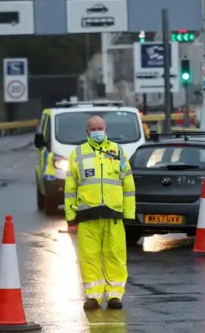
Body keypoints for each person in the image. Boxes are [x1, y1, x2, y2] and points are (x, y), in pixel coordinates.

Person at [64, 115, 136, 311]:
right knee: (89, 257)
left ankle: (114, 295)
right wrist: (71, 216)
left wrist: (129, 213)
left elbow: (128, 184)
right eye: (93, 129)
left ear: (106, 130)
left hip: (113, 215)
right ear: (87, 132)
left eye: (100, 128)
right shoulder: (78, 154)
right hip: (88, 216)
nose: (97, 131)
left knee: (115, 255)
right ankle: (93, 296)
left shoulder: (118, 151)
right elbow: (70, 187)